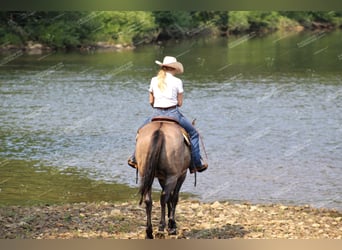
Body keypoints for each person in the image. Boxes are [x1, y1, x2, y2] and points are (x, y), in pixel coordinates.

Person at [128, 56, 208, 173]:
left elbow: (151, 101)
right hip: (173, 113)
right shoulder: (177, 82)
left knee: (140, 132)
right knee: (194, 134)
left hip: (156, 113)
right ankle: (196, 163)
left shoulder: (154, 80)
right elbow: (180, 103)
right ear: (174, 69)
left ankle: (134, 159)